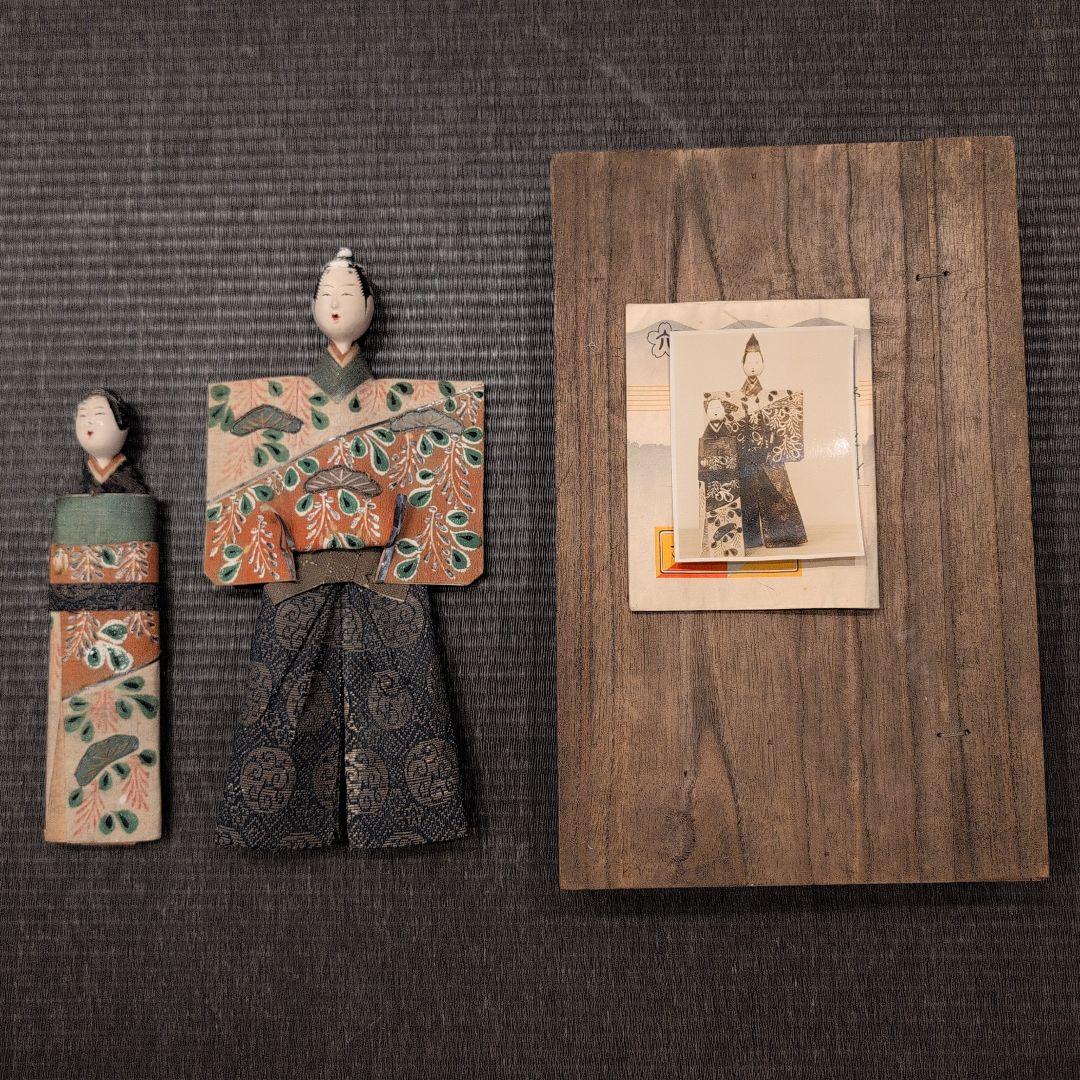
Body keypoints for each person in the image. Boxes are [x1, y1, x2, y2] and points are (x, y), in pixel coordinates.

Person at [209, 249, 484, 852]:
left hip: (384, 572)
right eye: (326, 294)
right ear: (313, 306)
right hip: (296, 573)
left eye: (347, 294)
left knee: (400, 700)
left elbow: (446, 452)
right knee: (283, 704)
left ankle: (402, 818)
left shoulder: (403, 400)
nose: (335, 303)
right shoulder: (276, 401)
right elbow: (244, 481)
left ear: (371, 307)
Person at [75, 390, 148, 494]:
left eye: (99, 413)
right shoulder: (86, 472)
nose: (88, 421)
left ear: (121, 422)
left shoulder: (124, 472)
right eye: (82, 415)